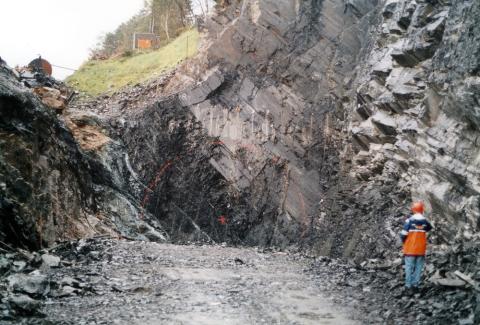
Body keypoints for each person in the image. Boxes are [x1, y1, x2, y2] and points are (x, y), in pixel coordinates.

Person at [400, 201, 433, 293]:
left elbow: (403, 234)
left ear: (413, 210)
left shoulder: (409, 221)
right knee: (418, 267)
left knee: (409, 267)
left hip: (410, 248)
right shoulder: (425, 221)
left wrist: (404, 242)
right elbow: (429, 228)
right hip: (421, 249)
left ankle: (408, 286)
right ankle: (416, 286)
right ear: (422, 210)